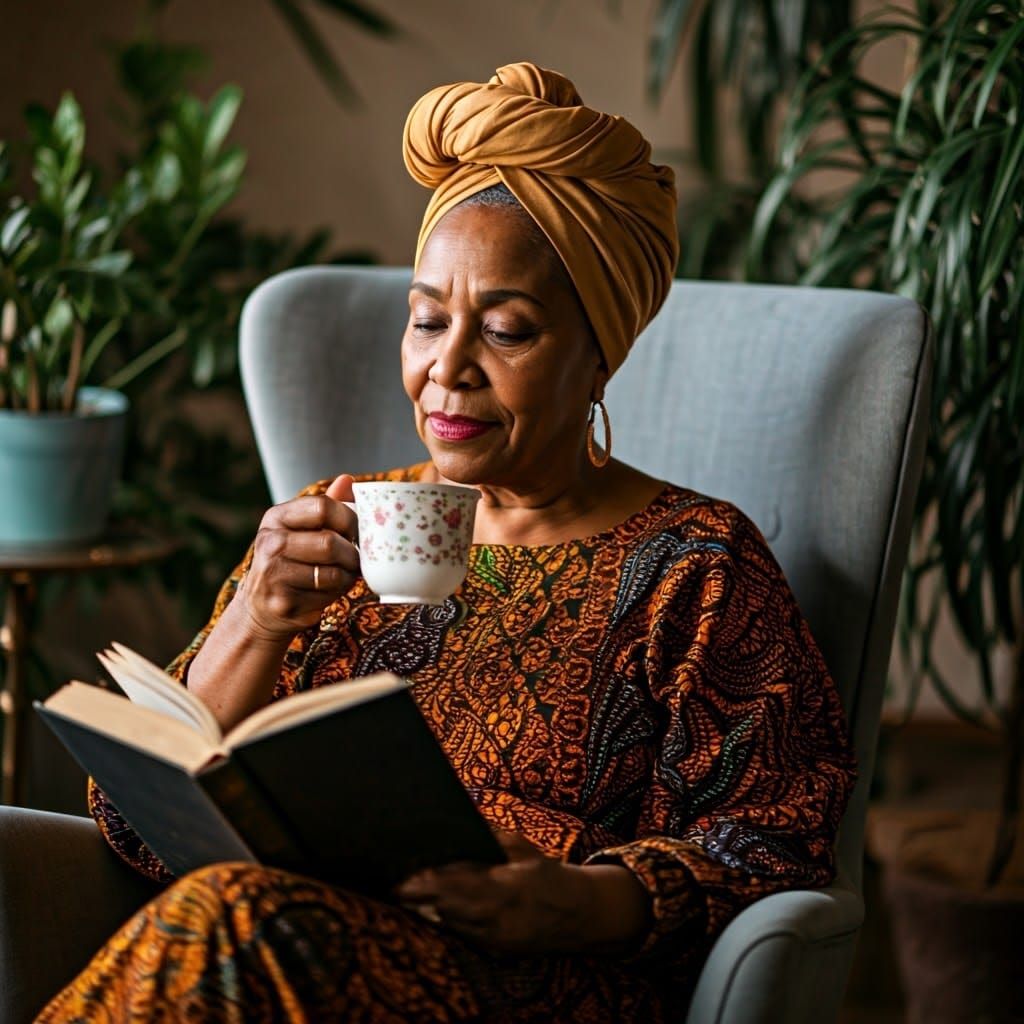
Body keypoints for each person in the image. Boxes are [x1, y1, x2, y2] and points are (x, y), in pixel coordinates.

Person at [36, 62, 855, 1023]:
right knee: (235, 915)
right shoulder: (331, 525)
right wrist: (256, 619)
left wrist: (574, 901)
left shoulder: (695, 564)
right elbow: (134, 827)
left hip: (536, 983)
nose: (446, 367)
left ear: (598, 355)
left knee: (232, 922)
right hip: (287, 945)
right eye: (427, 320)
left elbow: (773, 847)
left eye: (506, 331)